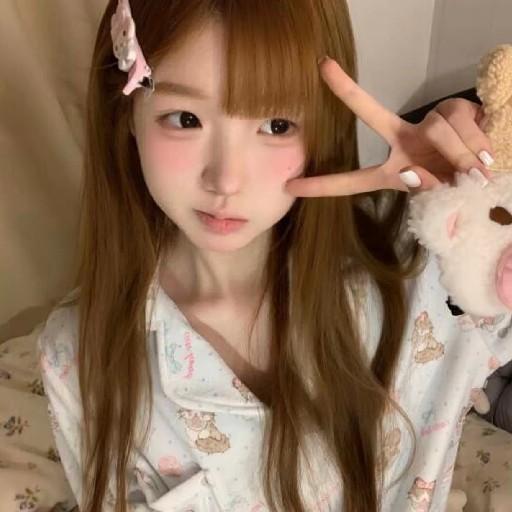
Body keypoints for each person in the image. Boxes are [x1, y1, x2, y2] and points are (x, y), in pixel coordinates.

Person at [36, 0, 509, 511]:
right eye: (185, 119)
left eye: (277, 125)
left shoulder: (431, 258)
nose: (226, 180)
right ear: (128, 114)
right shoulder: (78, 353)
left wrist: (491, 187)